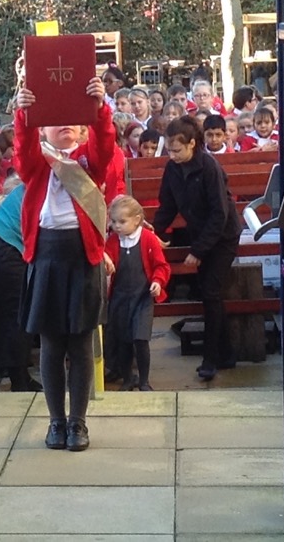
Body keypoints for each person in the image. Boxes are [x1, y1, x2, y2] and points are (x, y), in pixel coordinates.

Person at [14, 74, 115, 451]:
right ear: (47, 130)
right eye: (58, 123)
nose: (67, 128)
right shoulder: (39, 163)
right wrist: (24, 114)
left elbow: (107, 145)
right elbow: (22, 151)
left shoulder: (90, 162)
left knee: (81, 345)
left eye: (74, 122)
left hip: (82, 256)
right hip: (47, 257)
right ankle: (56, 422)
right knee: (52, 345)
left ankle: (79, 423)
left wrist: (101, 108)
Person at [154, 115, 242, 379]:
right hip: (200, 232)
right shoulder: (172, 169)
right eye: (169, 150)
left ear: (192, 143)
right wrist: (154, 232)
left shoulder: (209, 168)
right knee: (208, 292)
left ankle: (211, 359)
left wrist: (198, 250)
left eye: (177, 150)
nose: (172, 155)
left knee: (211, 292)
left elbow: (220, 213)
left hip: (223, 236)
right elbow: (167, 205)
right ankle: (226, 353)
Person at [0, 183, 41, 391]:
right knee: (15, 316)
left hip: (2, 246)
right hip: (3, 249)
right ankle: (18, 380)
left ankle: (17, 373)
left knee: (11, 315)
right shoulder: (47, 183)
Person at [104, 195, 170, 391]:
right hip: (120, 297)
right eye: (114, 221)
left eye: (122, 222)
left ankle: (144, 380)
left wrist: (158, 282)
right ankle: (127, 378)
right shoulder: (114, 241)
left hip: (142, 297)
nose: (117, 226)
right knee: (123, 340)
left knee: (141, 339)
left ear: (137, 220)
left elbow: (161, 266)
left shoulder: (148, 239)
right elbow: (108, 262)